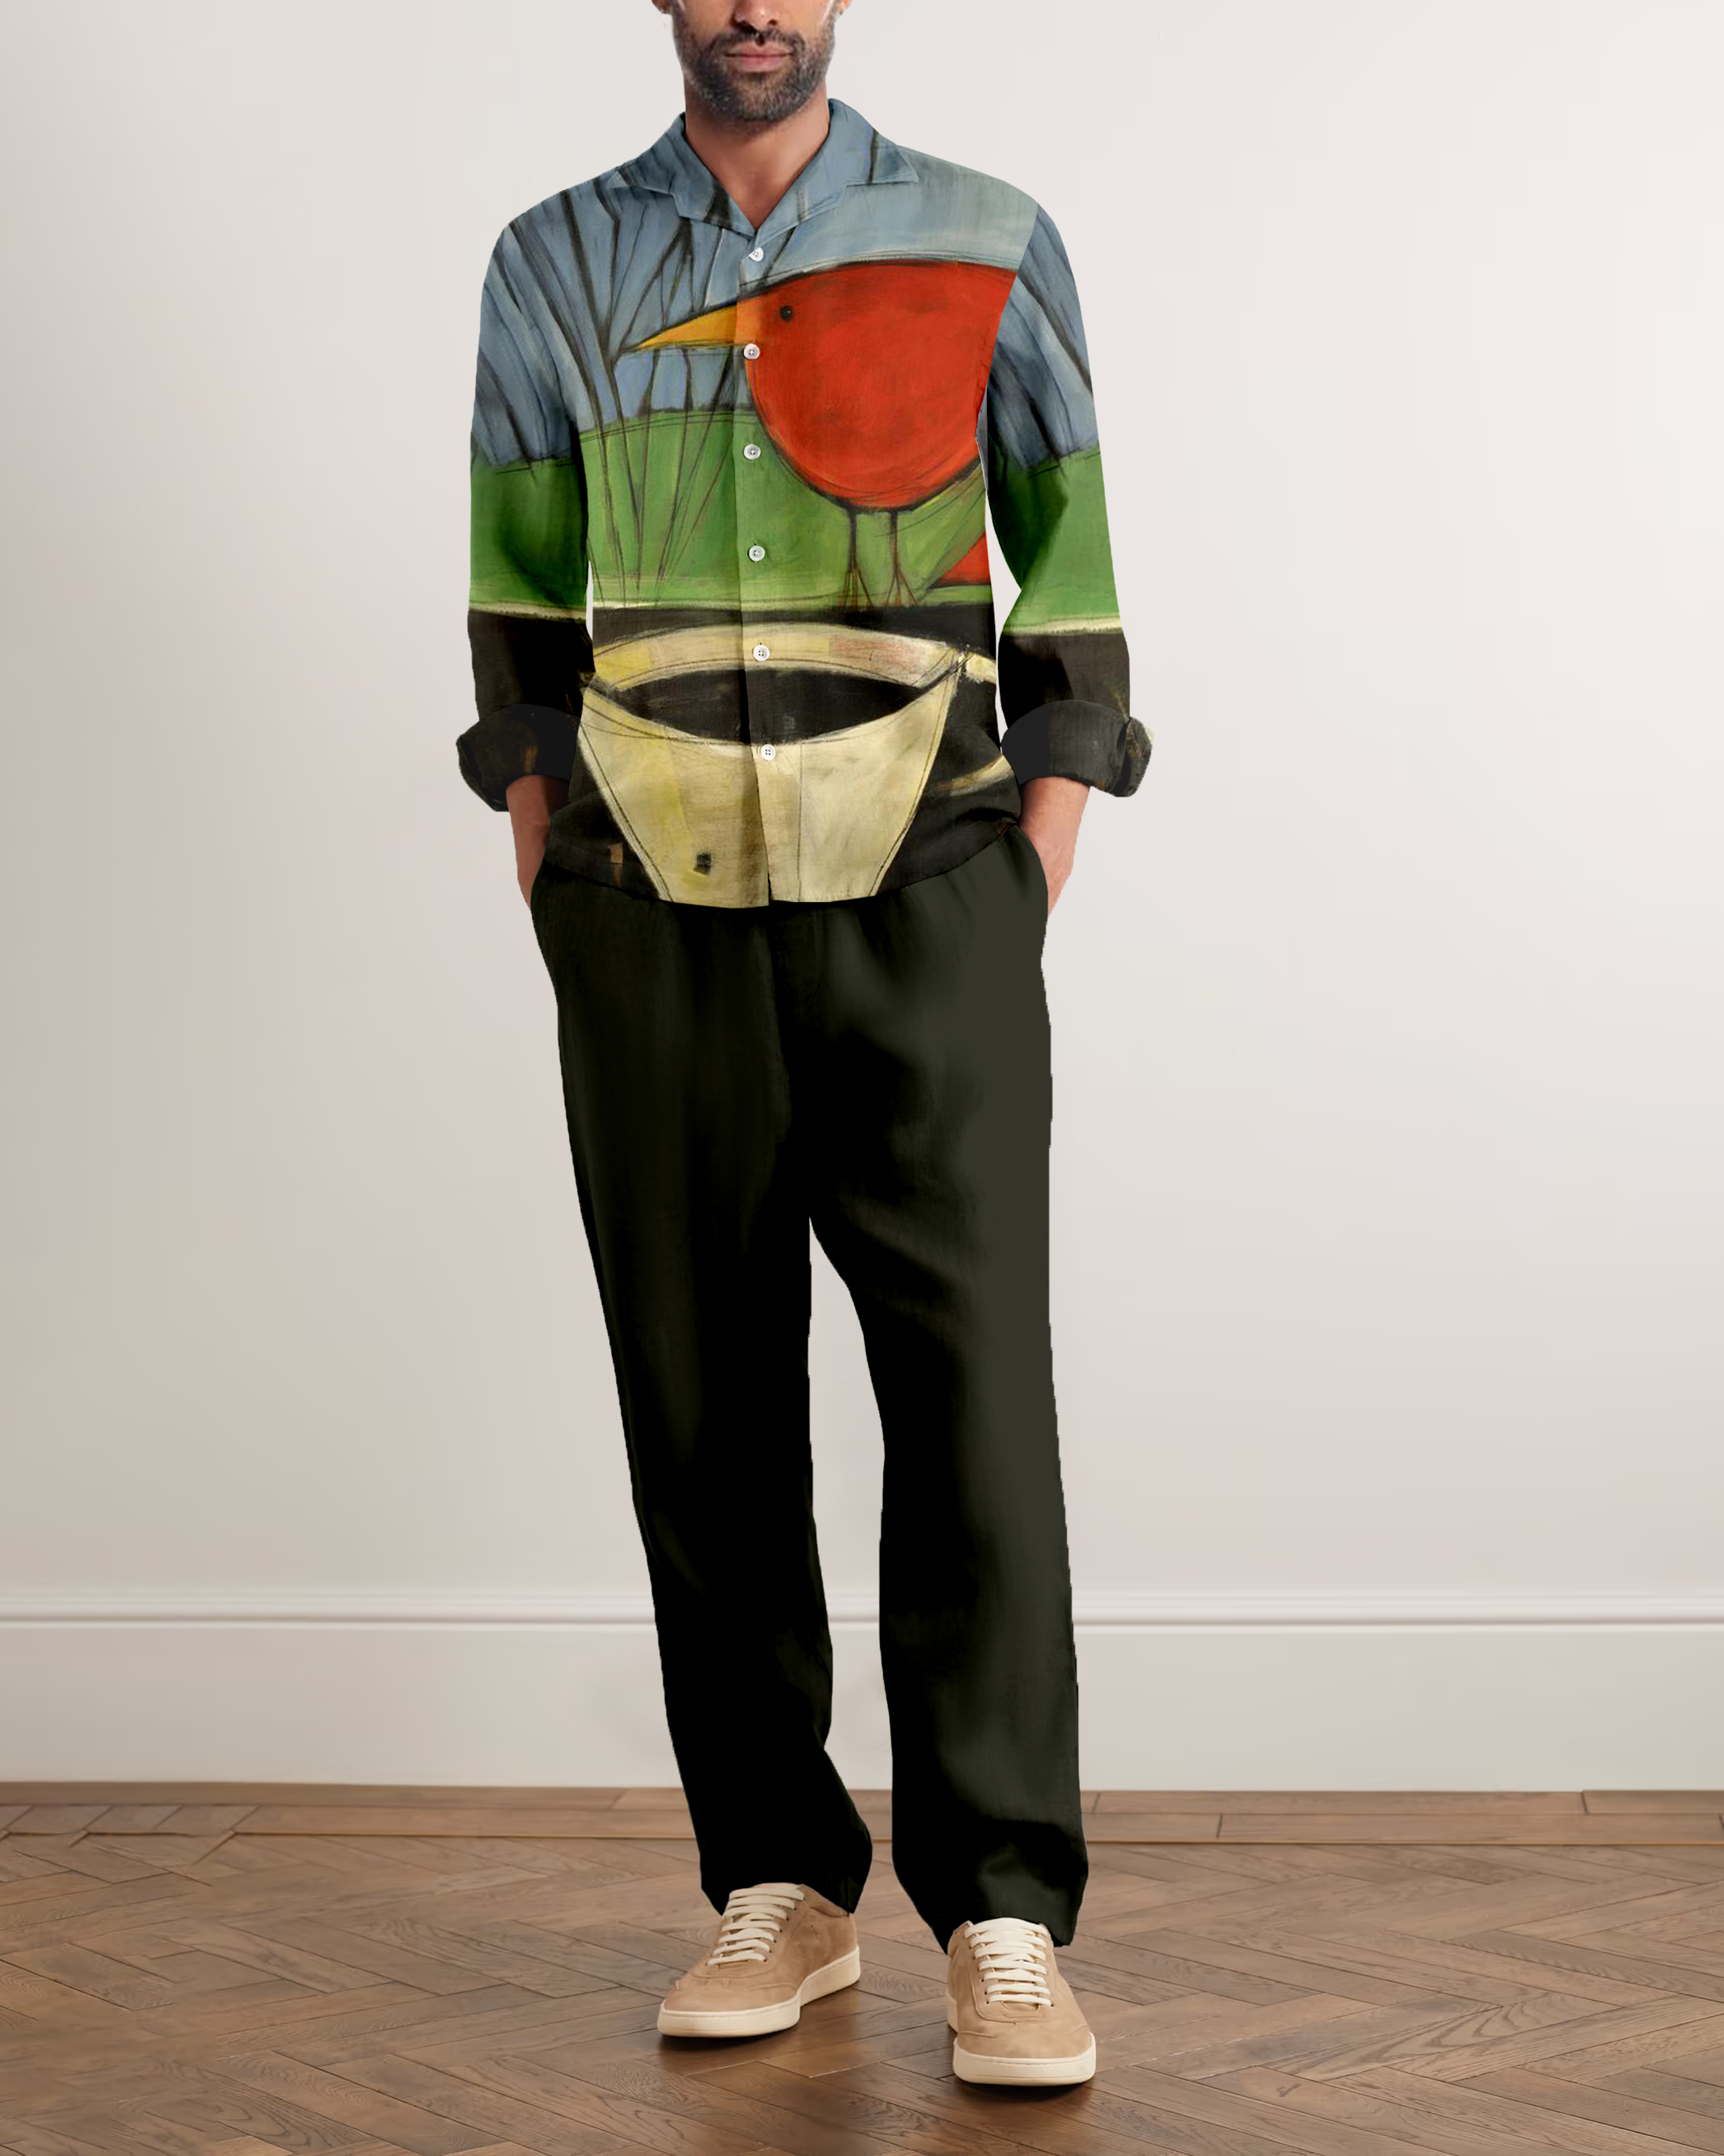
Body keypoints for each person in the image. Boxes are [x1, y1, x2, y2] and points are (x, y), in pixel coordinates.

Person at [457, 0, 1149, 2091]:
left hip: (932, 900)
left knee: (974, 1404)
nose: (756, 3)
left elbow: (1071, 579)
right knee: (702, 1402)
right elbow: (517, 598)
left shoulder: (988, 238)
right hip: (646, 909)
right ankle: (779, 1874)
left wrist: (1023, 873)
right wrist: (551, 859)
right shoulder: (551, 264)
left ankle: (1004, 1908)